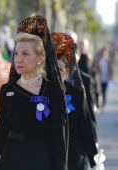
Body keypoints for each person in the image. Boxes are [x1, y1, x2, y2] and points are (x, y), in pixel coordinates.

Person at [0, 16, 67, 170]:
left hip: (41, 162)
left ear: (40, 58)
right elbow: (1, 131)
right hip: (10, 161)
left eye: (25, 54)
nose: (18, 59)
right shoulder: (7, 91)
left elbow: (58, 138)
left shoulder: (52, 92)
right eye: (16, 54)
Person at [51, 32, 98, 170]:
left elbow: (86, 124)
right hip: (50, 156)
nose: (57, 74)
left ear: (67, 71)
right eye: (54, 69)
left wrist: (94, 159)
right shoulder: (41, 93)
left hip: (74, 155)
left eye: (60, 70)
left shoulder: (77, 92)